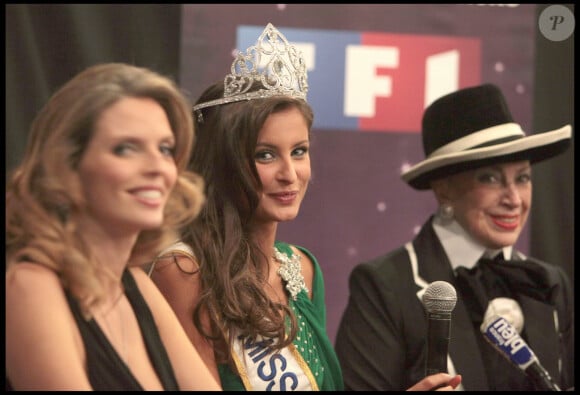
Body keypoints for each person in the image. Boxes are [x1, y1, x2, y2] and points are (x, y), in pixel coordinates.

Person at [146, 23, 461, 391]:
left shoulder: (301, 267)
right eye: (265, 155)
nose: (290, 174)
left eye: (299, 151)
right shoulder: (184, 270)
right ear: (225, 163)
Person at [334, 83, 574, 391]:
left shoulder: (550, 282)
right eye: (490, 178)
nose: (514, 198)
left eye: (523, 178)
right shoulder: (385, 286)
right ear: (443, 188)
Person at [5, 62, 222, 391]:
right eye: (126, 148)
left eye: (164, 149)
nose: (157, 168)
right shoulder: (29, 287)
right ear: (68, 166)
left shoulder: (136, 283)